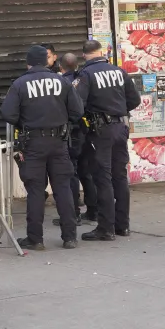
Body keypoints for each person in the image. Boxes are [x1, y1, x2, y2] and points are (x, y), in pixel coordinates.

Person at [1, 46, 83, 250]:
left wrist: (25, 122)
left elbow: (8, 114)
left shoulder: (20, 84)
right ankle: (70, 237)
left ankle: (35, 239)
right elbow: (77, 110)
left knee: (36, 191)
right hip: (59, 142)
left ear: (28, 63)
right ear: (48, 61)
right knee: (63, 189)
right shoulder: (62, 81)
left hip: (34, 143)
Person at [72, 40, 141, 242]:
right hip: (120, 127)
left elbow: (77, 105)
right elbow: (134, 100)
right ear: (101, 52)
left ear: (84, 55)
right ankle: (123, 225)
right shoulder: (119, 72)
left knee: (102, 177)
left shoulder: (85, 75)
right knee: (119, 176)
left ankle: (106, 228)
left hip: (100, 130)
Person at [54, 53, 97, 227]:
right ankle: (93, 211)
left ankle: (74, 214)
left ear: (60, 67)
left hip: (70, 133)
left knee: (70, 174)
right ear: (77, 66)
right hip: (85, 132)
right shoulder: (83, 79)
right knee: (86, 172)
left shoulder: (61, 84)